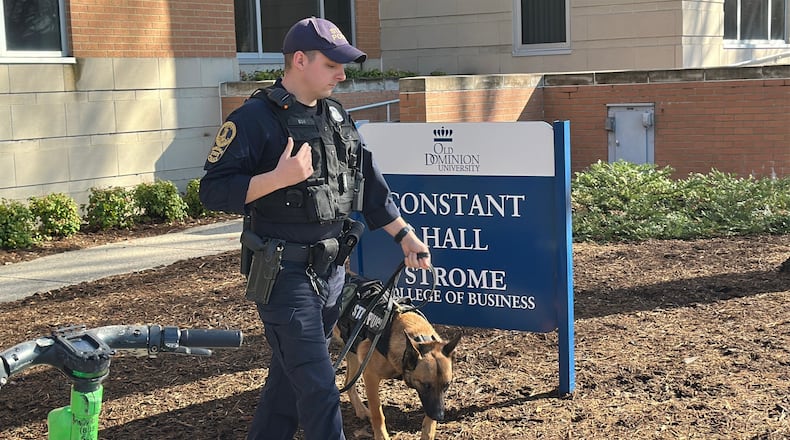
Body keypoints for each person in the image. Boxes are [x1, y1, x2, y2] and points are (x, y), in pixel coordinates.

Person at [198, 16, 432, 440]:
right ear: (300, 60)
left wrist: (404, 235)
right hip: (283, 277)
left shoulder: (337, 117)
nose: (342, 75)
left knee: (289, 381)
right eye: (332, 65)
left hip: (332, 275)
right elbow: (212, 191)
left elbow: (369, 184)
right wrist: (277, 178)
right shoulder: (253, 119)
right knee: (321, 387)